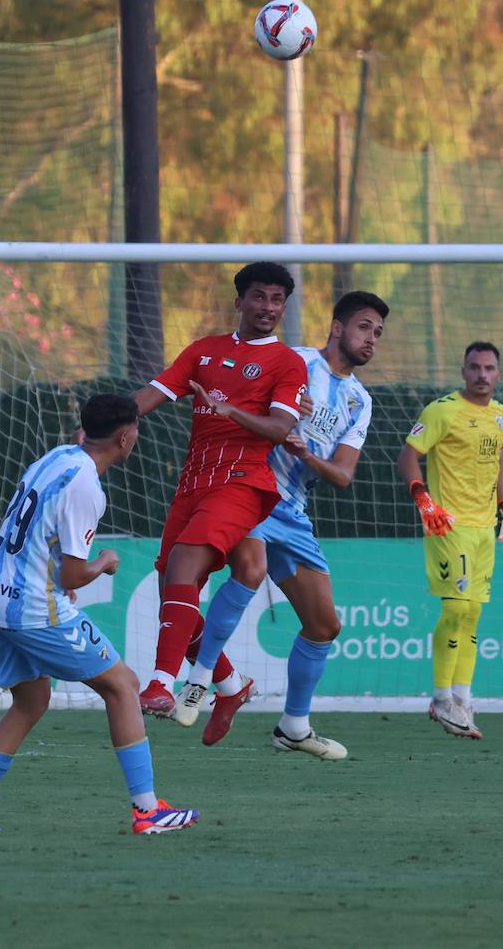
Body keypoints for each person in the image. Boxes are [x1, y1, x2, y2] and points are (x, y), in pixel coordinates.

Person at [0, 394, 198, 835]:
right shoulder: (87, 488)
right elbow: (76, 574)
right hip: (33, 609)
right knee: (123, 686)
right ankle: (147, 810)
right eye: (136, 429)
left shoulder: (59, 457)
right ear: (125, 436)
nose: (136, 436)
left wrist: (64, 577)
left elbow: (45, 539)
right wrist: (105, 562)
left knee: (31, 701)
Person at [174, 291, 389, 759]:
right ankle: (199, 680)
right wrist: (283, 409)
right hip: (249, 490)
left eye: (377, 333)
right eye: (363, 327)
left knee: (324, 625)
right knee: (248, 571)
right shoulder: (294, 361)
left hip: (292, 511)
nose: (370, 339)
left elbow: (344, 476)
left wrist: (307, 452)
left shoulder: (359, 400)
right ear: (336, 328)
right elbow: (240, 402)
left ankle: (293, 727)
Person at [132, 262, 310, 745]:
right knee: (173, 577)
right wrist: (107, 423)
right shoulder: (204, 351)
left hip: (244, 479)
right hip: (194, 481)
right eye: (260, 297)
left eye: (277, 300)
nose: (268, 307)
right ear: (240, 301)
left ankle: (160, 684)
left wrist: (231, 410)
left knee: (186, 565)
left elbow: (279, 428)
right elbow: (153, 393)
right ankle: (230, 686)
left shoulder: (286, 363)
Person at [396, 341, 503, 740]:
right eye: (475, 367)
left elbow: (498, 461)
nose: (482, 375)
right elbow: (407, 457)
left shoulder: (500, 415)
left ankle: (463, 699)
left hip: (485, 529)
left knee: (473, 614)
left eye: (489, 368)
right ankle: (441, 698)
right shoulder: (441, 410)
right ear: (463, 372)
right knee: (456, 608)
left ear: (498, 374)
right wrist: (423, 499)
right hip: (448, 525)